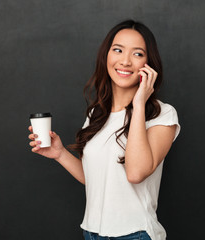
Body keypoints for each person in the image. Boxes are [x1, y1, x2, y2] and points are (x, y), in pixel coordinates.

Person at [27, 20, 180, 240]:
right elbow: (99, 179)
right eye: (117, 50)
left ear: (149, 64)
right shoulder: (96, 115)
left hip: (134, 234)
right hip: (92, 233)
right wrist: (60, 154)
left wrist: (138, 105)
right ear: (106, 56)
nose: (125, 61)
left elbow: (135, 173)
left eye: (137, 54)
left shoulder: (162, 115)